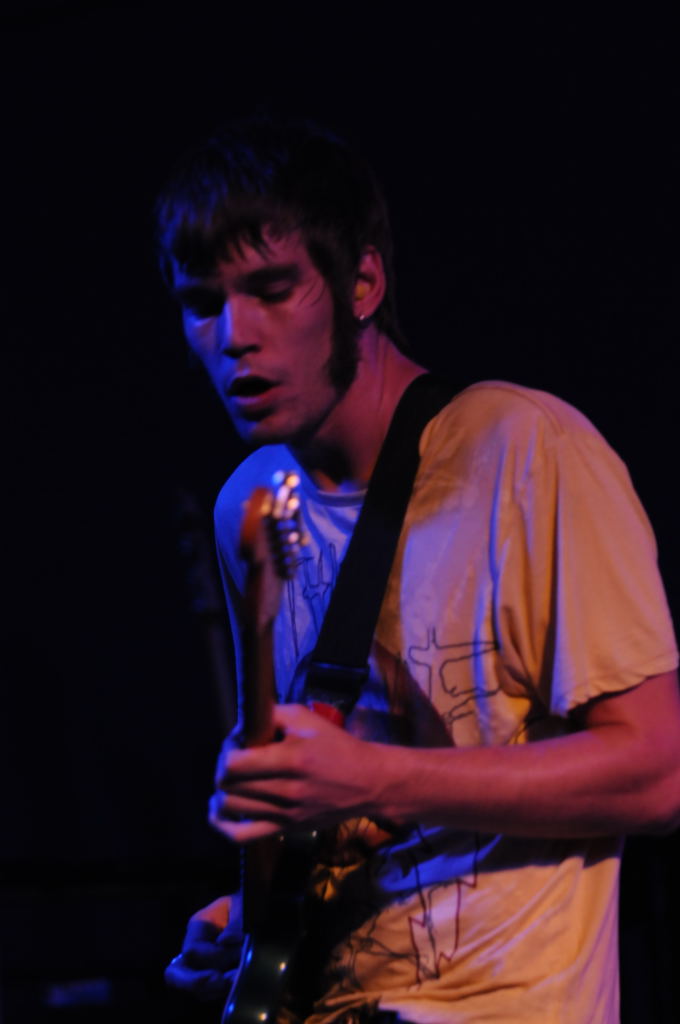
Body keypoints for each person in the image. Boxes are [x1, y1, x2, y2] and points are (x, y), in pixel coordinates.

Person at [157, 116, 680, 1023]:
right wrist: (256, 921)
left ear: (362, 282)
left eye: (273, 289)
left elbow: (658, 771)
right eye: (203, 303)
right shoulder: (253, 501)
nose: (234, 334)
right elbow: (338, 817)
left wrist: (374, 776)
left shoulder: (527, 450)